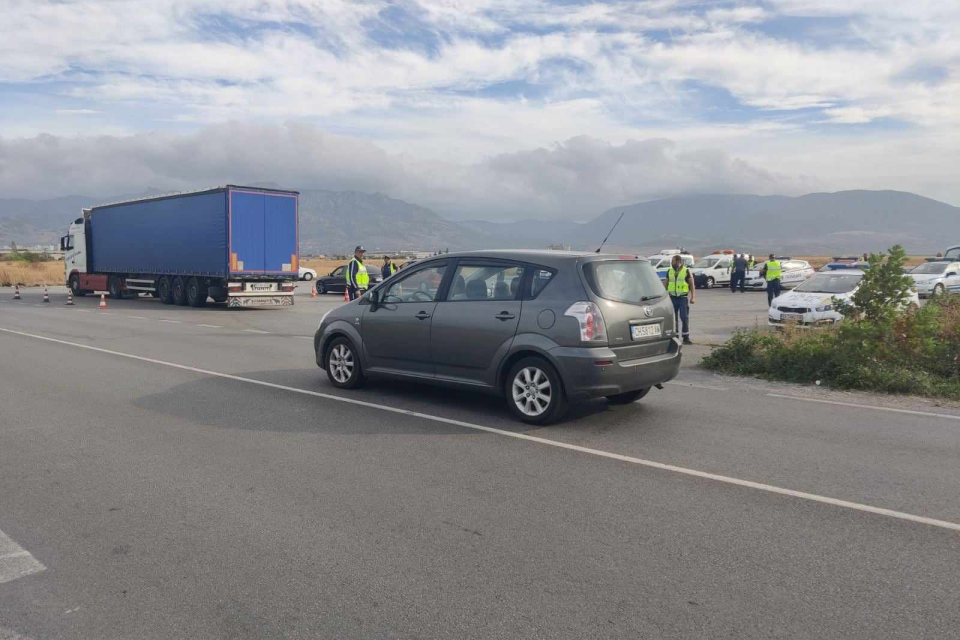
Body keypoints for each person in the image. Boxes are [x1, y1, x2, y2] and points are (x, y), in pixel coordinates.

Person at [666, 254, 695, 345]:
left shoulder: (686, 271)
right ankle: (676, 337)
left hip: (682, 298)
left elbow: (691, 285)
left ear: (678, 261)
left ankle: (686, 337)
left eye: (673, 261)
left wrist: (693, 297)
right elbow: (666, 284)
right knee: (674, 319)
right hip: (672, 298)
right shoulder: (669, 271)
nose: (672, 263)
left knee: (684, 317)